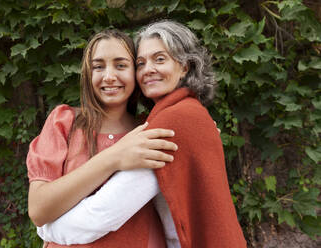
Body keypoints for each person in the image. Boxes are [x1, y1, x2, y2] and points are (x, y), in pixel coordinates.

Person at [36, 20, 247, 248]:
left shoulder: (171, 123)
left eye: (160, 59)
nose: (148, 70)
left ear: (185, 66)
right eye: (141, 62)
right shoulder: (176, 117)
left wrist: (47, 229)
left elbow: (102, 214)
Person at [26, 29, 179, 248]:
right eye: (98, 66)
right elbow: (39, 210)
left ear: (136, 72)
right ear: (88, 74)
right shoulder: (65, 122)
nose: (109, 76)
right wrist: (114, 158)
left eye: (120, 65)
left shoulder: (150, 129)